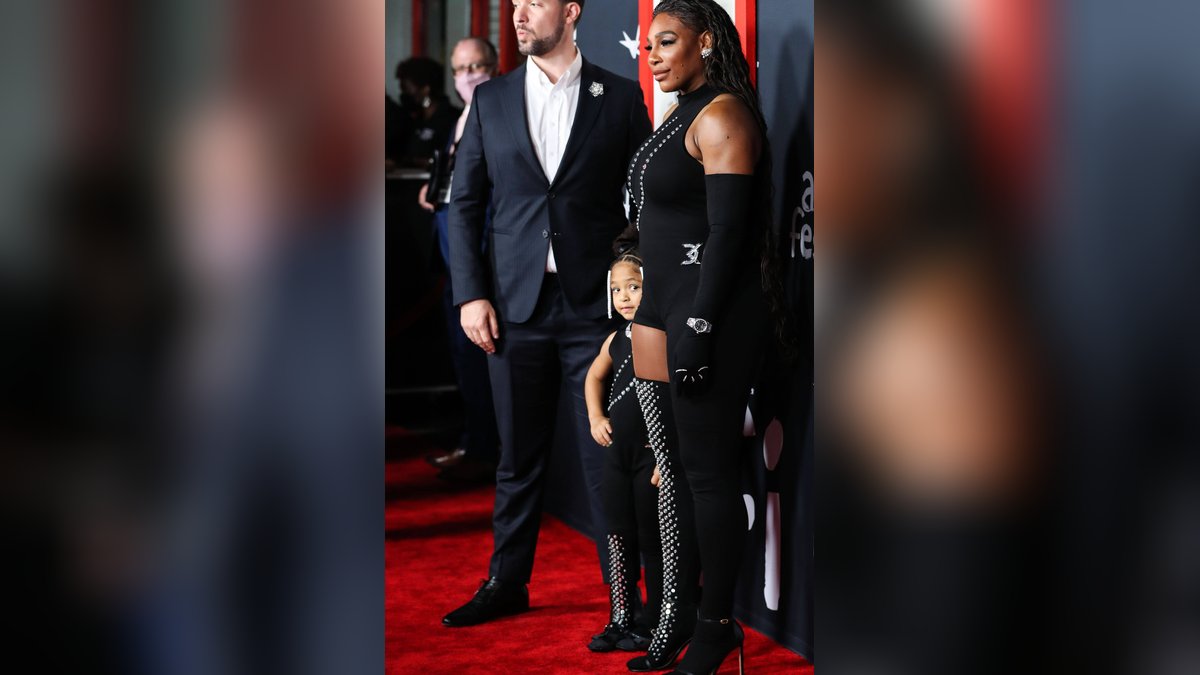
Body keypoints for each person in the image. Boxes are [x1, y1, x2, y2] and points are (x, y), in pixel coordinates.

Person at [442, 0, 653, 628]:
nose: (518, 14)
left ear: (571, 12)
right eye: (514, 4)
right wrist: (470, 293)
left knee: (607, 460)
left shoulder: (617, 97)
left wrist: (631, 283)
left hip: (595, 311)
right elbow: (466, 205)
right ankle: (507, 582)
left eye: (535, 2)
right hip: (514, 308)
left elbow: (642, 199)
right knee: (516, 458)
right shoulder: (492, 100)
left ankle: (626, 603)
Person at [627, 1, 779, 671]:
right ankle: (678, 611)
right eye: (650, 44)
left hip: (705, 316)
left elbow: (728, 237)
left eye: (668, 42)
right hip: (661, 311)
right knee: (677, 476)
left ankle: (717, 625)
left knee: (709, 479)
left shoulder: (721, 115)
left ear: (707, 42)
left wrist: (700, 325)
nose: (654, 54)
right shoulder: (680, 112)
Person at [417, 37, 502, 480]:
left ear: (495, 65)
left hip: (483, 260)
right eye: (459, 69)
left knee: (482, 361)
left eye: (476, 66)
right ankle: (474, 442)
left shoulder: (501, 110)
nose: (467, 75)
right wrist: (433, 192)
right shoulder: (460, 116)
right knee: (463, 360)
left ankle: (485, 450)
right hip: (453, 258)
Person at [583, 252, 661, 652]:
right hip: (617, 456)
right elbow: (594, 375)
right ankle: (620, 615)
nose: (624, 296)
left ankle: (654, 619)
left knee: (653, 538)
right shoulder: (616, 339)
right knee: (617, 535)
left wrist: (666, 456)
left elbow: (677, 402)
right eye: (616, 289)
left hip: (651, 458)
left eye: (634, 286)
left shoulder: (662, 336)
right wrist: (596, 416)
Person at [395, 57, 461, 169]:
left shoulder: (451, 119)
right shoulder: (412, 120)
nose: (404, 94)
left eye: (407, 88)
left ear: (425, 89)